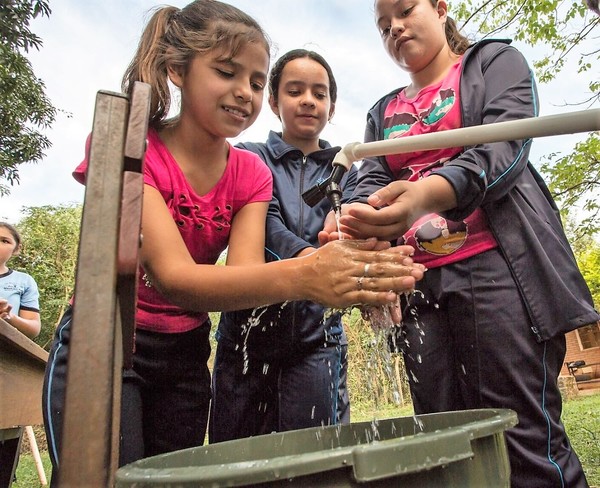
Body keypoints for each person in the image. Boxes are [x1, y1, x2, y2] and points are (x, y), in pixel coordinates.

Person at [42, 1, 425, 485]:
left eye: (255, 81)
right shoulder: (134, 149)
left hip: (184, 356)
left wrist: (351, 264)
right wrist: (310, 272)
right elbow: (174, 278)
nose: (244, 92)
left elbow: (245, 281)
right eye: (227, 72)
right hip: (107, 343)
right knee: (100, 477)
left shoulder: (250, 173)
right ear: (177, 70)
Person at [319, 1, 600, 487]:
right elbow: (368, 180)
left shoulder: (494, 63)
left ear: (441, 7)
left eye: (405, 10)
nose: (395, 29)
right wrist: (353, 217)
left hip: (500, 273)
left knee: (521, 436)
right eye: (384, 27)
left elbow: (503, 150)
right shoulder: (382, 111)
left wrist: (424, 195)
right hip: (419, 286)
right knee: (443, 439)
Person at [210, 49, 355, 443]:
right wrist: (312, 259)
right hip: (245, 338)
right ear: (273, 101)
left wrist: (347, 233)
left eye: (319, 93)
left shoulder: (346, 169)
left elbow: (352, 222)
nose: (308, 100)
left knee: (317, 458)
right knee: (237, 459)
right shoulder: (249, 157)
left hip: (318, 338)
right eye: (295, 90)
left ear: (332, 106)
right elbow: (266, 225)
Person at [0, 222, 41, 339]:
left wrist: (8, 316)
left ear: (16, 249)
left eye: (4, 241)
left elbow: (34, 330)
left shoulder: (24, 281)